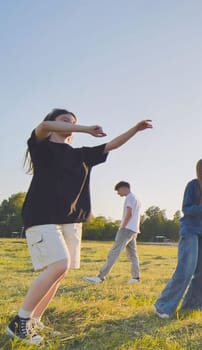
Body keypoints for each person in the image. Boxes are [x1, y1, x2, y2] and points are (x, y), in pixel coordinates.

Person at [7, 109, 151, 344]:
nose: (71, 125)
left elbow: (112, 144)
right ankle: (19, 322)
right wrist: (83, 128)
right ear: (55, 122)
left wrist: (135, 129)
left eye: (73, 123)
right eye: (65, 121)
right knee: (58, 264)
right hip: (42, 215)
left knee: (61, 272)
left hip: (70, 220)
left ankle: (35, 320)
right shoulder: (41, 145)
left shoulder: (81, 155)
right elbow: (44, 126)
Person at [154, 158, 202, 319]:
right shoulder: (193, 185)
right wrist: (201, 208)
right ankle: (162, 306)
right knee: (186, 269)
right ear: (199, 169)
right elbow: (185, 208)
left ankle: (193, 306)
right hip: (191, 229)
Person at [83, 181, 142, 284]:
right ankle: (136, 278)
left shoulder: (129, 197)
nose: (118, 193)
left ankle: (100, 277)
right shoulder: (136, 198)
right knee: (133, 254)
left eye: (118, 190)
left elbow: (129, 213)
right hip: (134, 230)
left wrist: (122, 227)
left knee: (113, 253)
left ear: (124, 188)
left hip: (126, 229)